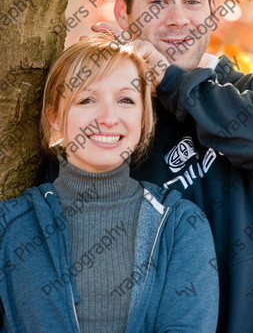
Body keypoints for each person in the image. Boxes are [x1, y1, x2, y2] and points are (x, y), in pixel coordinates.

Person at [83, 0, 253, 332]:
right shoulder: (115, 143)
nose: (178, 18)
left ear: (212, 12)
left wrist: (168, 78)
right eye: (157, 2)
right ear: (123, 13)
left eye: (193, 1)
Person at [0, 33, 218, 332]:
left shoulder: (180, 225)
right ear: (54, 117)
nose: (108, 118)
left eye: (126, 100)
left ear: (143, 117)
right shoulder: (10, 226)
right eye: (87, 99)